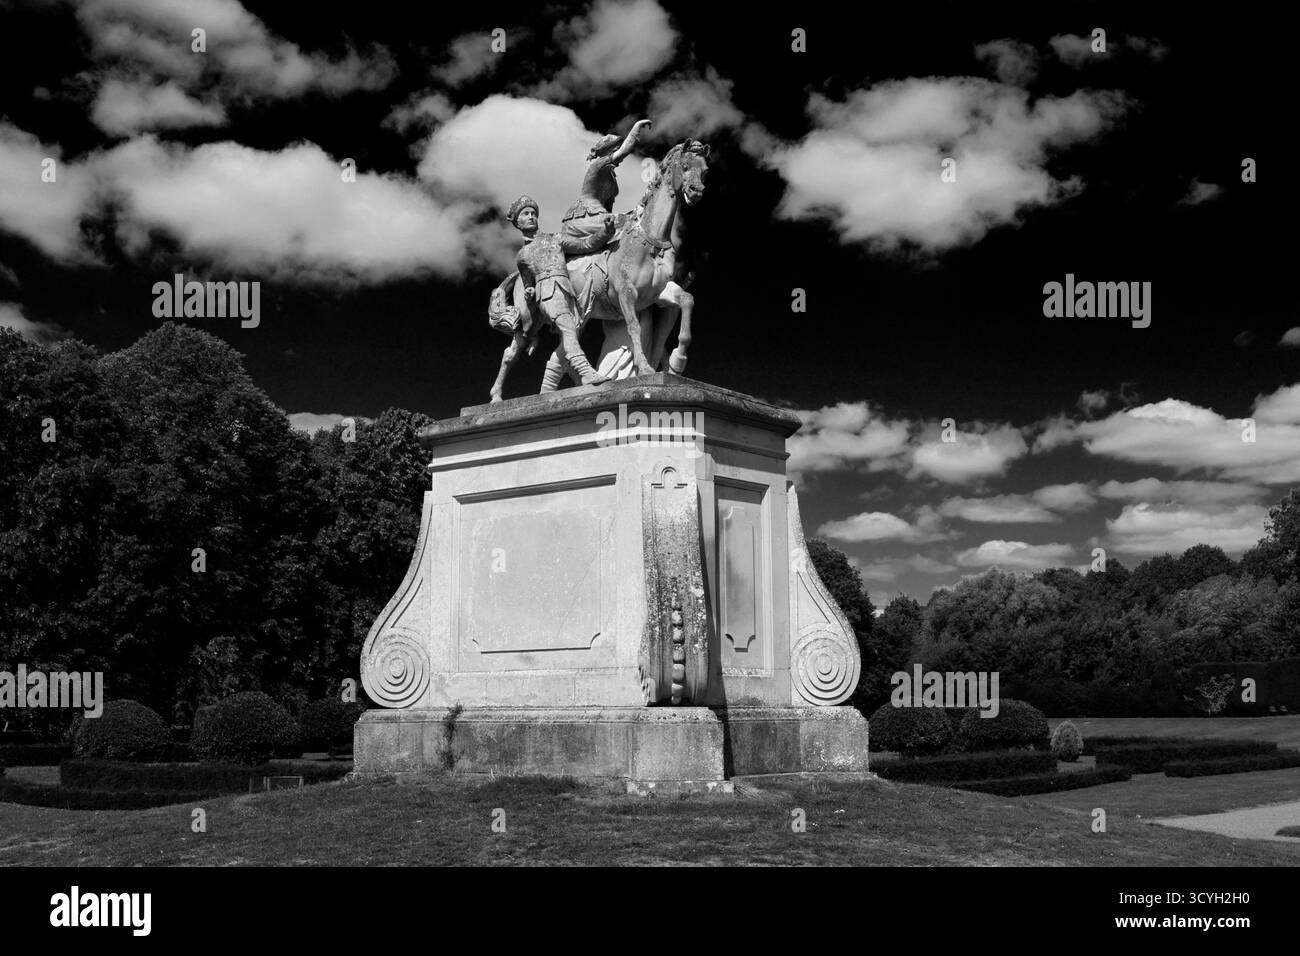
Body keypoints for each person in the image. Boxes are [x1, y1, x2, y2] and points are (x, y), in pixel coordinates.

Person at [507, 194, 613, 389]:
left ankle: (546, 388)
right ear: (517, 222)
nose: (531, 217)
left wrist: (605, 232)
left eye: (533, 213)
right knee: (569, 330)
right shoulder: (523, 256)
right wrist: (530, 293)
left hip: (567, 291)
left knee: (568, 336)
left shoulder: (554, 239)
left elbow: (586, 244)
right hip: (547, 294)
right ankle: (586, 373)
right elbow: (527, 284)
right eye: (525, 214)